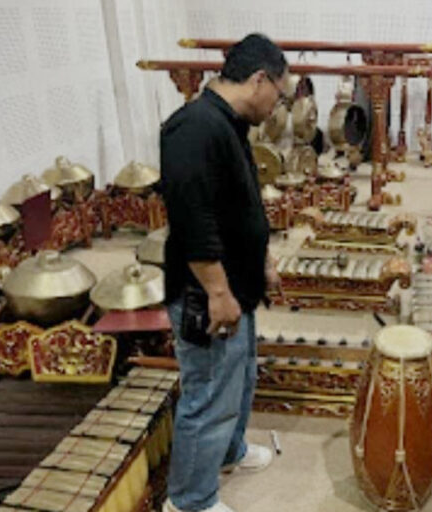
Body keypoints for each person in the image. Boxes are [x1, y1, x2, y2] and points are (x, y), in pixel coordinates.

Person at [160, 33, 289, 512]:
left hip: (239, 284)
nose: (278, 106)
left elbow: (240, 206)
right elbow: (193, 218)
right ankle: (189, 500)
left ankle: (229, 452)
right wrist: (217, 291)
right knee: (209, 393)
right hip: (208, 293)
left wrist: (263, 261)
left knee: (240, 378)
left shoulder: (227, 124)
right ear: (260, 80)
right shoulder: (192, 127)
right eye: (280, 94)